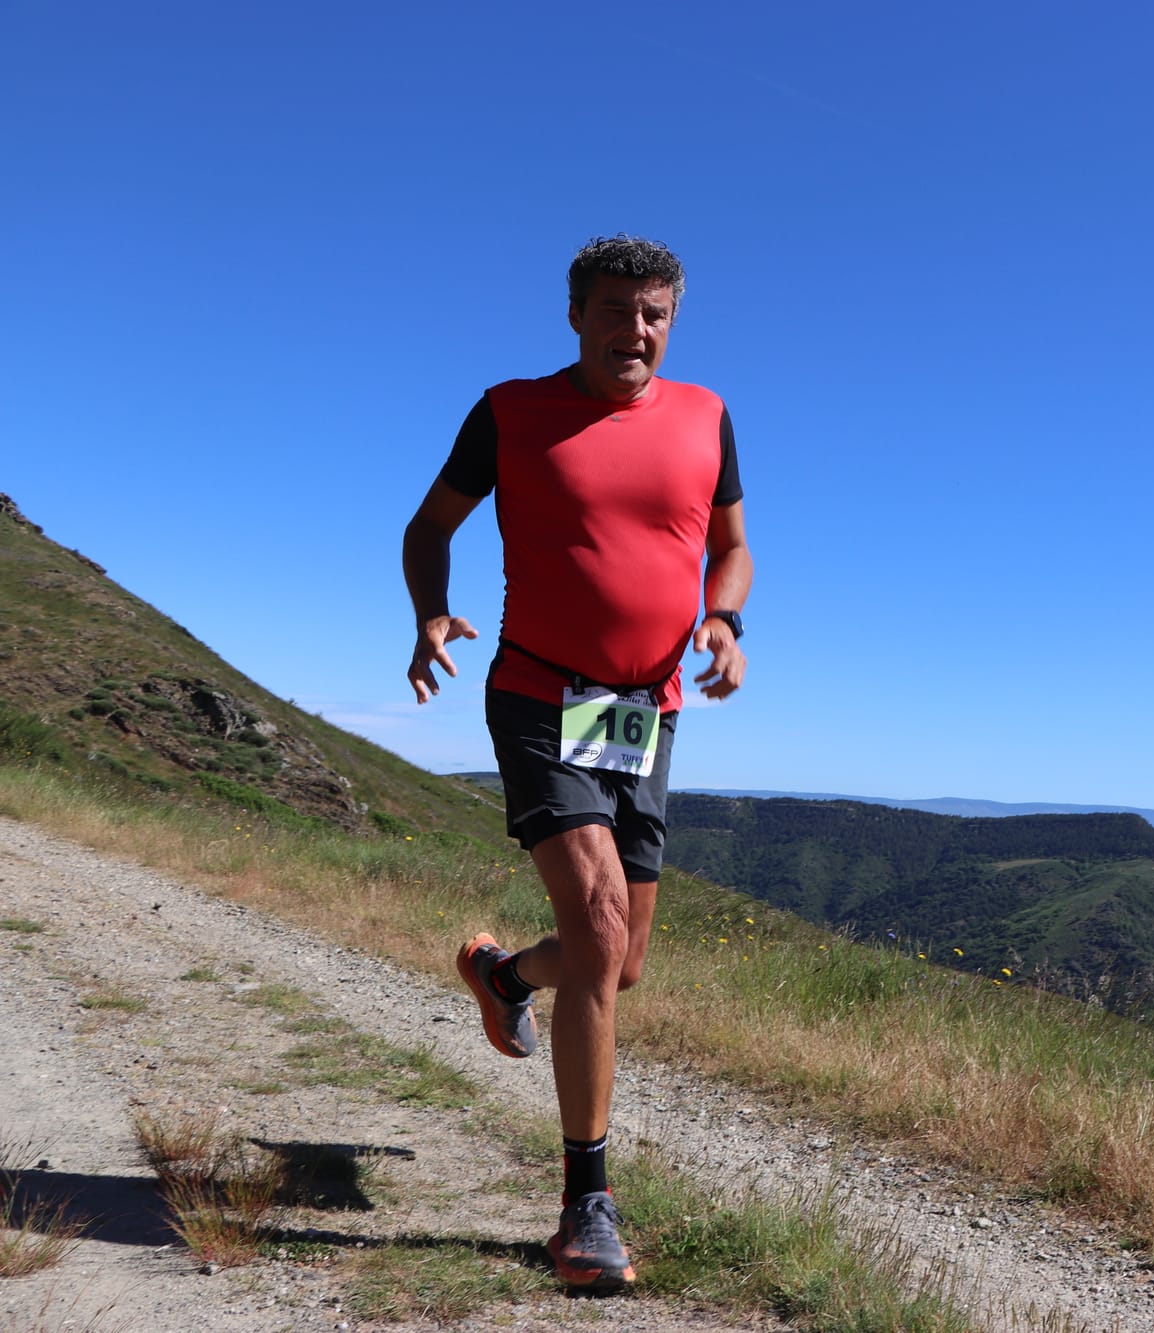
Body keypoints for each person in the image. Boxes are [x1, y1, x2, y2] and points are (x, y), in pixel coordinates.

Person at [401, 235, 751, 1292]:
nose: (631, 330)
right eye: (612, 310)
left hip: (646, 710)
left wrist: (724, 620)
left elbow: (729, 545)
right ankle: (584, 1208)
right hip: (538, 692)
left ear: (670, 322)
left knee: (619, 960)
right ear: (574, 316)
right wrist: (427, 615)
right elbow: (429, 525)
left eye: (650, 314)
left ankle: (502, 974)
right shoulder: (509, 410)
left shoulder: (706, 416)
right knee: (597, 930)